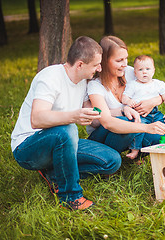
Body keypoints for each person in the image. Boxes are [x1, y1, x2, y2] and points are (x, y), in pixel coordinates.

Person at [11, 36, 122, 210]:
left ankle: (54, 174)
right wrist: (74, 116)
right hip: (28, 148)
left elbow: (94, 116)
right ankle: (70, 196)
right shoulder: (50, 78)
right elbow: (37, 119)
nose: (100, 69)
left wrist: (122, 111)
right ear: (80, 65)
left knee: (112, 161)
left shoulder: (84, 81)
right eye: (96, 65)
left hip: (64, 142)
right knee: (68, 129)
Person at [86, 36, 165, 157]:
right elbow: (104, 121)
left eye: (126, 58)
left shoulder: (132, 72)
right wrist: (124, 111)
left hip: (133, 127)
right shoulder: (95, 85)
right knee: (127, 121)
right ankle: (109, 158)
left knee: (160, 134)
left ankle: (136, 155)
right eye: (119, 60)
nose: (124, 64)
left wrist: (153, 101)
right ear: (104, 60)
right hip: (102, 136)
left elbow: (159, 89)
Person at [122, 55, 165, 159]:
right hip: (140, 114)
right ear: (135, 73)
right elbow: (124, 98)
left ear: (153, 70)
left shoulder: (159, 84)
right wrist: (129, 101)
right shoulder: (133, 85)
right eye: (140, 70)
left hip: (156, 113)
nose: (144, 72)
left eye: (148, 69)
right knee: (138, 128)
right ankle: (135, 149)